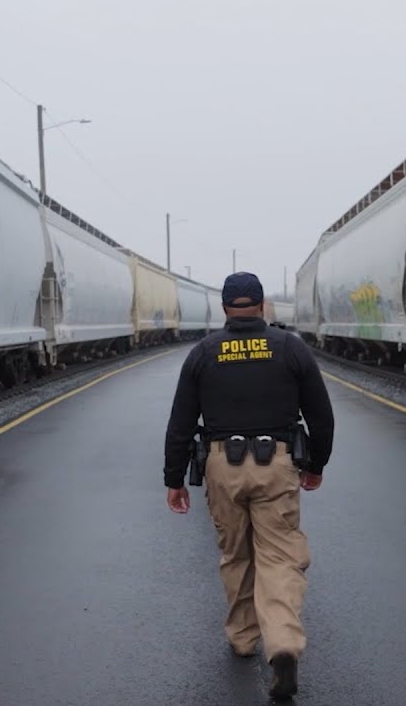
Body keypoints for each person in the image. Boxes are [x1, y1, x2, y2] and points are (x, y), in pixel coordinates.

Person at [162, 272, 334, 701]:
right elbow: (320, 414)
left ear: (224, 308)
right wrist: (316, 464)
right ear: (262, 306)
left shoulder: (203, 353)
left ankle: (242, 638)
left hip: (223, 466)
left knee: (236, 553)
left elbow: (180, 423)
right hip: (276, 464)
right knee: (278, 555)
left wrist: (174, 480)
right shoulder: (290, 347)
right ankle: (283, 645)